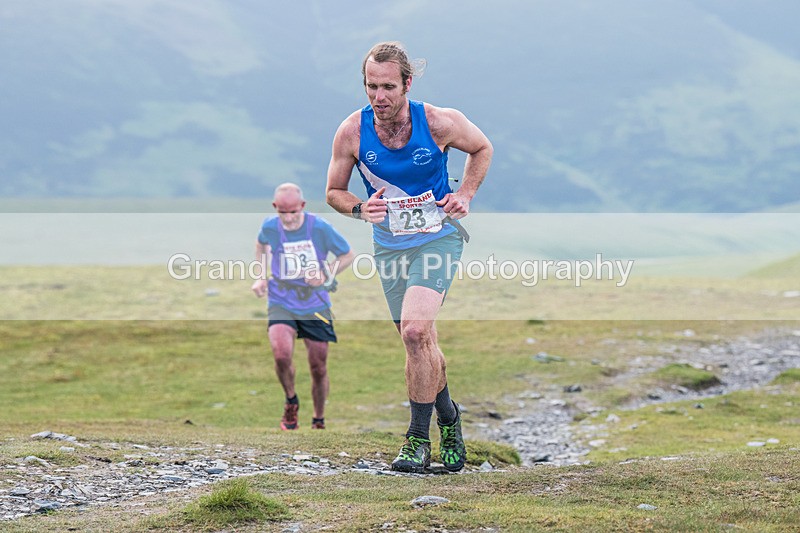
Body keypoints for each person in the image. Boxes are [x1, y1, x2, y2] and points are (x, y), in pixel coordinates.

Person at [325, 41, 493, 472]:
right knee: (418, 340)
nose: (379, 97)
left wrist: (465, 195)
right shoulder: (352, 132)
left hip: (438, 237)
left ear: (407, 84)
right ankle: (450, 418)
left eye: (387, 87)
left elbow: (482, 148)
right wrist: (361, 209)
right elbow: (334, 192)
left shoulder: (437, 121)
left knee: (417, 331)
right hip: (390, 244)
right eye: (370, 87)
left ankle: (417, 440)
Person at [252, 183, 354, 430]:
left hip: (314, 301)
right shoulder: (269, 226)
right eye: (282, 212)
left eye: (293, 212)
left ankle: (318, 419)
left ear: (303, 206)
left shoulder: (318, 227)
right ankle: (291, 400)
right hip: (281, 298)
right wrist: (260, 276)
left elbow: (347, 255)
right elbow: (260, 247)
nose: (288, 217)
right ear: (276, 207)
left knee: (318, 367)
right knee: (281, 353)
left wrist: (325, 273)